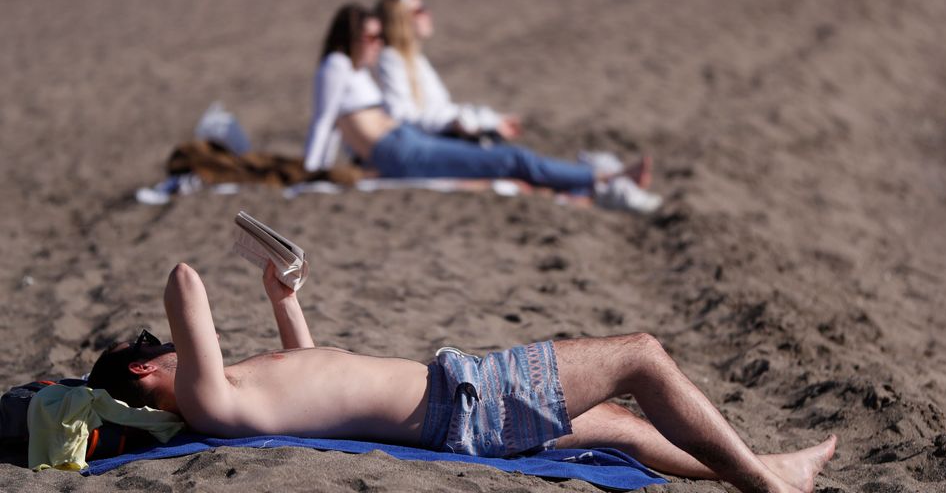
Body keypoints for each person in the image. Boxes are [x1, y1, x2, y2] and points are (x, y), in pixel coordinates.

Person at [88, 263, 837, 493]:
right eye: (159, 346)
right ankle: (768, 489)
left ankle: (767, 468)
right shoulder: (208, 399)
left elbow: (313, 377)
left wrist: (284, 299)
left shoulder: (230, 401)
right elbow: (185, 282)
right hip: (465, 402)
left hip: (459, 407)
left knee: (619, 427)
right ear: (147, 364)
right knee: (640, 353)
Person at [301, 3, 661, 213]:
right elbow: (324, 122)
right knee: (510, 160)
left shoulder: (353, 70)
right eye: (371, 37)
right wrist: (311, 175)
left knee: (496, 159)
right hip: (399, 149)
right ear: (348, 37)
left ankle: (587, 189)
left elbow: (342, 127)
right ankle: (605, 180)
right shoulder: (335, 65)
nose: (379, 44)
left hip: (402, 141)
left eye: (381, 36)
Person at [374, 0, 520, 142]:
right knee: (517, 159)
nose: (428, 14)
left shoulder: (414, 59)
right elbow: (402, 116)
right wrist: (454, 123)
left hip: (437, 137)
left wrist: (492, 120)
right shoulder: (390, 59)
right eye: (419, 10)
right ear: (400, 20)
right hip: (428, 144)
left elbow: (441, 109)